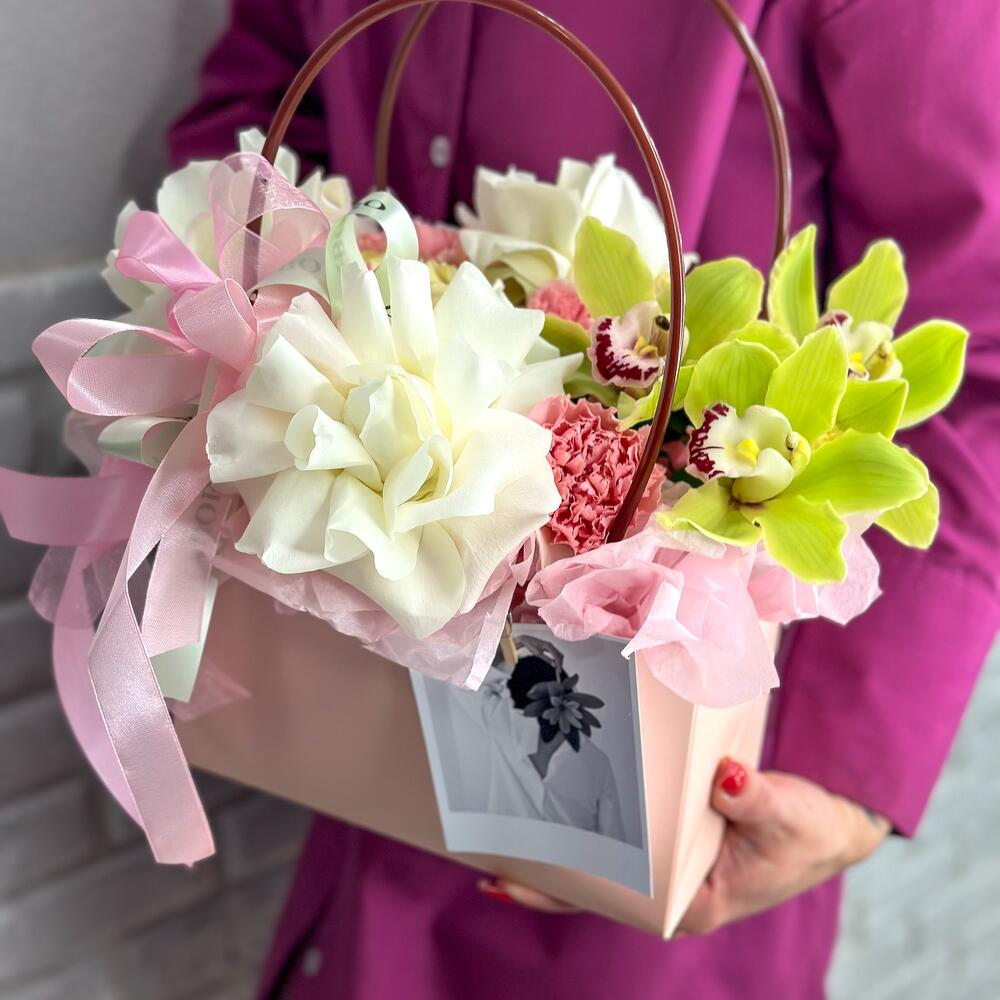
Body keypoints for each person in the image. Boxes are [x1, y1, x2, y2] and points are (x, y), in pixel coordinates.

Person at [169, 1, 1000, 997]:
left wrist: (848, 772)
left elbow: (971, 334)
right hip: (360, 699)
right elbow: (256, 137)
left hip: (666, 732)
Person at [450, 637, 628, 841]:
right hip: (504, 852)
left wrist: (513, 647)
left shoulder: (596, 763)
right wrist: (509, 645)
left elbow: (613, 841)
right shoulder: (505, 723)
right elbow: (459, 679)